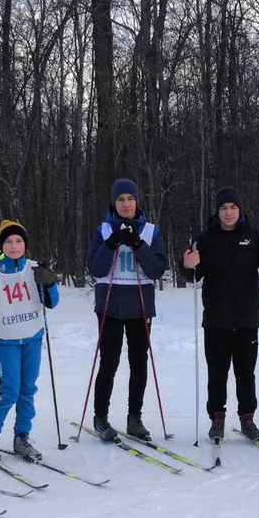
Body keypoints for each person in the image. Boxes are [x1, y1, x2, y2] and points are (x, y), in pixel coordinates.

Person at [182, 187, 259, 442]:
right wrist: (187, 265)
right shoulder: (205, 239)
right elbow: (193, 274)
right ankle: (217, 417)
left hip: (246, 319)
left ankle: (247, 418)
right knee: (216, 373)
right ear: (217, 211)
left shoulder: (255, 237)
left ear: (240, 210)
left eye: (233, 207)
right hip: (216, 319)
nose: (228, 212)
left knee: (245, 373)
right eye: (223, 208)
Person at [85, 178, 168, 441]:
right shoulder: (103, 230)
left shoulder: (151, 231)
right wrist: (111, 244)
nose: (126, 204)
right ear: (114, 202)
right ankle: (100, 417)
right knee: (108, 362)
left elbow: (157, 270)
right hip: (109, 305)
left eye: (130, 198)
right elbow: (95, 269)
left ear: (137, 201)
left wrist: (137, 245)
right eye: (120, 199)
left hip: (140, 305)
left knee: (138, 362)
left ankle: (135, 418)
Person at [0, 220, 59, 463]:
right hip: (7, 339)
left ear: (25, 244)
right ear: (1, 246)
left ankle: (22, 437)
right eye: (8, 241)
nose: (14, 245)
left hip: (32, 337)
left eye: (18, 240)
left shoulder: (34, 268)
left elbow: (52, 302)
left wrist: (49, 281)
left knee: (27, 389)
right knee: (10, 390)